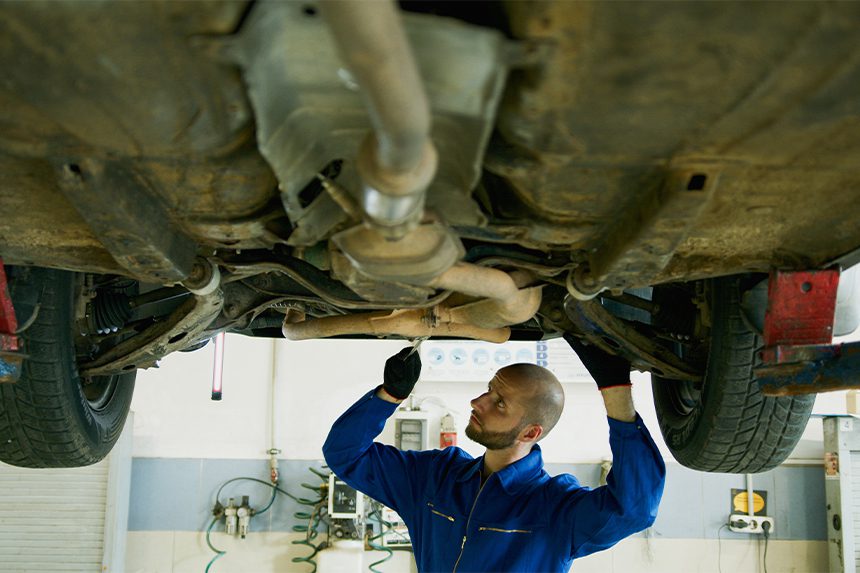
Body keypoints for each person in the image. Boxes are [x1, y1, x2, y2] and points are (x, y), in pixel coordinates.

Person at [323, 337, 665, 572]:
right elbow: (344, 454)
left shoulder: (555, 508)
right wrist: (389, 395)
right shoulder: (435, 478)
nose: (477, 402)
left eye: (499, 402)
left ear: (531, 432)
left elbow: (634, 509)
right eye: (488, 391)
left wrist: (616, 394)